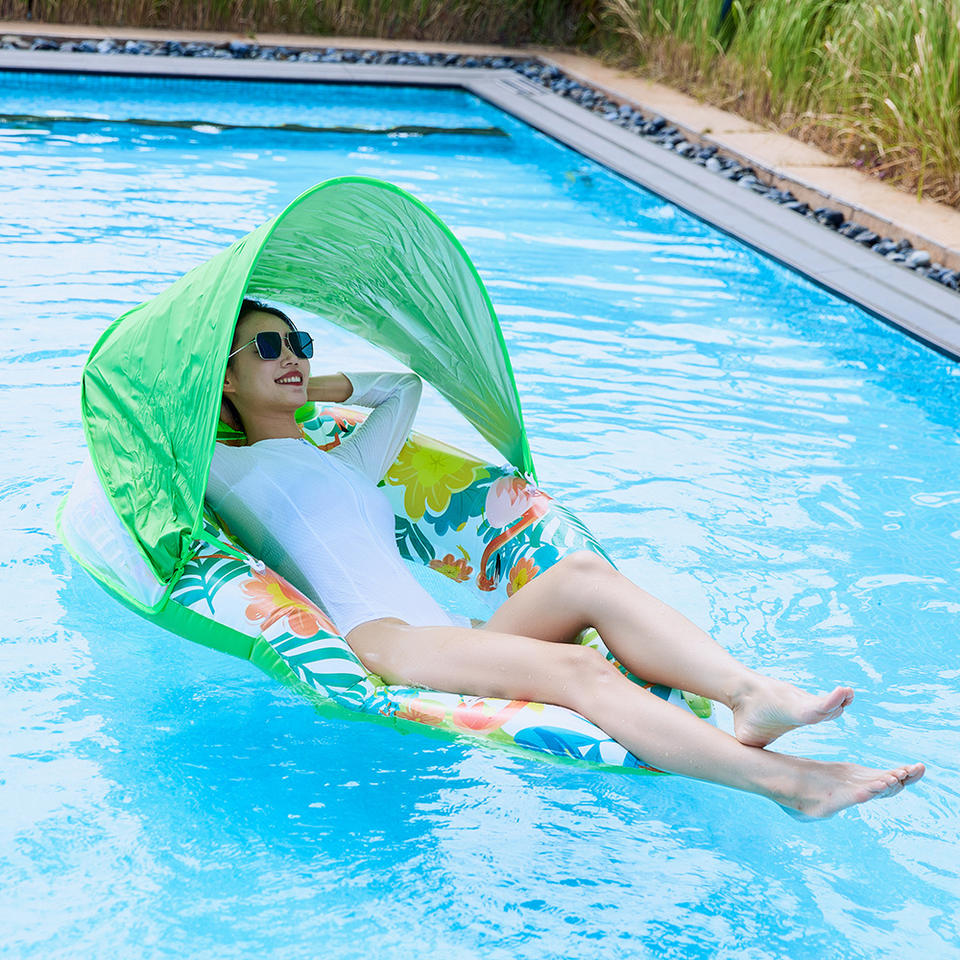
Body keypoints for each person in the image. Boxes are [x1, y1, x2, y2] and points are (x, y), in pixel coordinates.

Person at [207, 299, 925, 819]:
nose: (292, 356)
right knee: (580, 670)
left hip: (442, 634)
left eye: (299, 342)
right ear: (225, 380)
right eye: (267, 347)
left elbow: (401, 389)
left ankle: (748, 696)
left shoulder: (349, 463)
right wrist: (228, 391)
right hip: (383, 641)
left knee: (581, 577)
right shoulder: (226, 470)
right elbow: (168, 439)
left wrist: (301, 386)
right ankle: (791, 784)